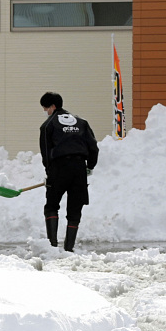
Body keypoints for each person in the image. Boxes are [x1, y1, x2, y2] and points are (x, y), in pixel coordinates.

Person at [39, 92, 99, 252]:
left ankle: (52, 246)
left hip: (59, 168)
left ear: (52, 106)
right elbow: (93, 147)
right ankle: (69, 248)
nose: (46, 112)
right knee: (75, 208)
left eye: (46, 108)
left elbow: (46, 152)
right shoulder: (82, 123)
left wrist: (49, 172)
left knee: (51, 206)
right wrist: (89, 166)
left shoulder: (47, 126)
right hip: (79, 168)